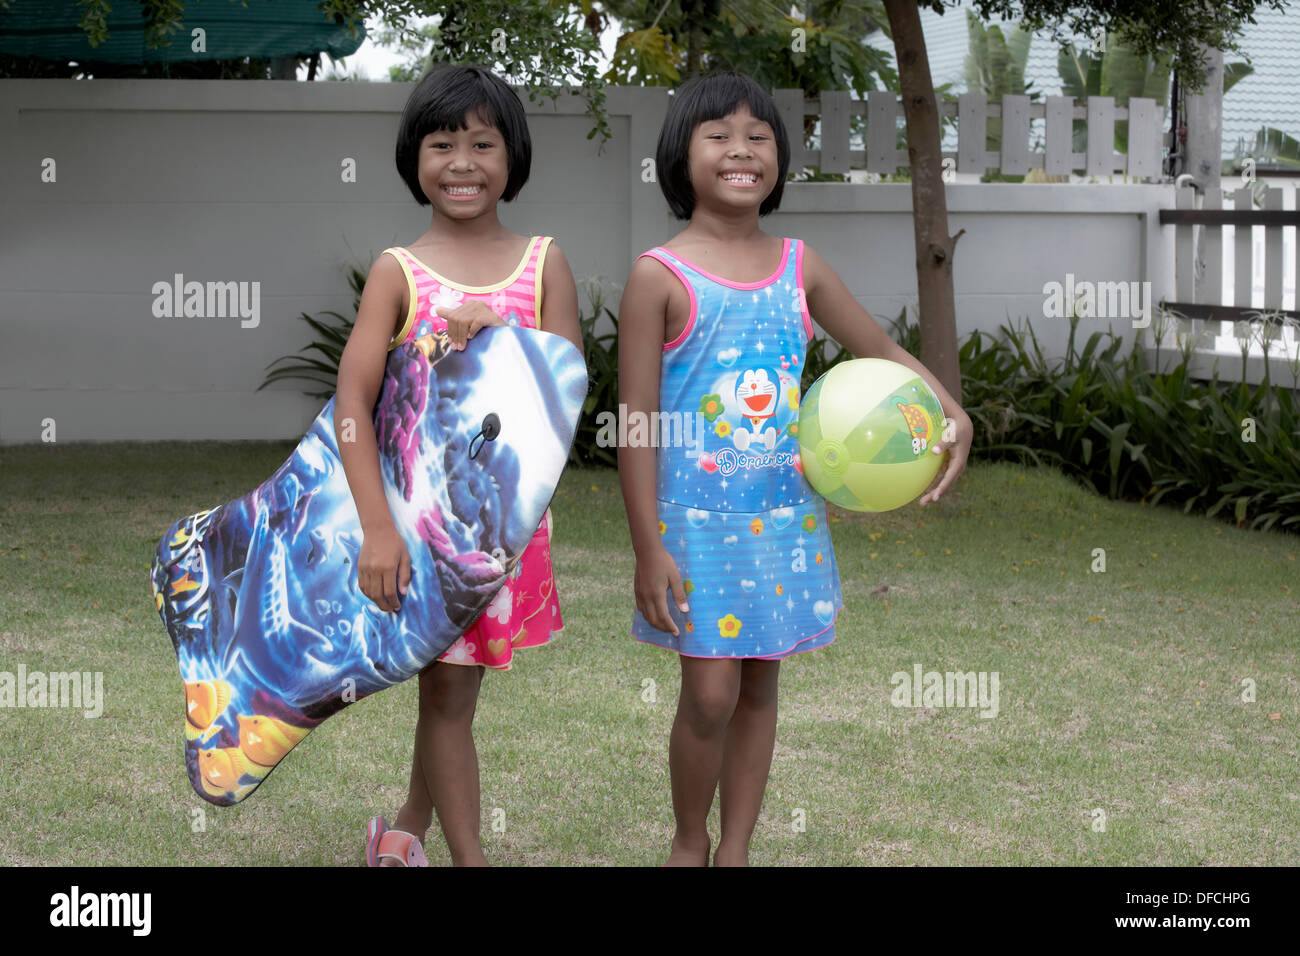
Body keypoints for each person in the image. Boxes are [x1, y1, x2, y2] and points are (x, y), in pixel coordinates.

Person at [617, 71, 973, 866]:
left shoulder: (799, 266)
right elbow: (634, 425)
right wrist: (649, 546)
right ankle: (688, 843)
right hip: (695, 530)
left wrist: (950, 408)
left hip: (783, 520)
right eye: (719, 135)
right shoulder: (658, 276)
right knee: (708, 695)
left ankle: (737, 850)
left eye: (759, 135)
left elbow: (879, 351)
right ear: (681, 156)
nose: (741, 149)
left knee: (759, 689)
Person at [334, 63, 582, 867]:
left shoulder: (544, 262)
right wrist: (377, 527)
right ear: (416, 157)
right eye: (443, 143)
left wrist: (502, 343)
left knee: (454, 689)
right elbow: (352, 404)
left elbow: (564, 391)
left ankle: (405, 827)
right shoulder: (397, 272)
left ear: (513, 157)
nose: (464, 161)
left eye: (483, 142)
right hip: (416, 531)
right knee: (447, 690)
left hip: (503, 528)